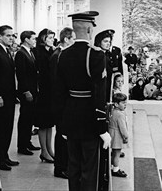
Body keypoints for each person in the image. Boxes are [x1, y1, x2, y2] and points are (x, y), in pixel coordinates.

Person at [54, 11, 111, 191]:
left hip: (70, 117)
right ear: (88, 29)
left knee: (74, 166)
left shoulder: (63, 54)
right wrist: (102, 127)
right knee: (89, 168)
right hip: (90, 120)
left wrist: (62, 124)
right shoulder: (95, 55)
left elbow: (59, 93)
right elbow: (99, 94)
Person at [0, 25, 19, 170]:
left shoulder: (6, 51)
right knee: (1, 129)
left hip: (9, 96)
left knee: (7, 127)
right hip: (1, 97)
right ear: (0, 36)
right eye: (8, 35)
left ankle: (5, 156)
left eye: (12, 35)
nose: (11, 38)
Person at [50, 27, 76, 179]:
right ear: (66, 39)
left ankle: (65, 164)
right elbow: (56, 82)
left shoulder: (63, 55)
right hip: (60, 103)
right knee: (61, 135)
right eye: (72, 38)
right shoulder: (57, 56)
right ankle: (60, 167)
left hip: (64, 101)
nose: (74, 41)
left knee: (65, 134)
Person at [15, 31, 40, 156]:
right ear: (26, 39)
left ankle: (27, 141)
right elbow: (21, 74)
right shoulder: (21, 53)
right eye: (33, 39)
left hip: (33, 89)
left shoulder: (30, 52)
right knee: (25, 118)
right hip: (27, 91)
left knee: (30, 117)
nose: (35, 41)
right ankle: (22, 145)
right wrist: (26, 91)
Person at [32, 28, 55, 163]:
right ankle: (44, 151)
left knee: (50, 123)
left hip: (51, 90)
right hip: (43, 91)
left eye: (53, 37)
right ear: (43, 39)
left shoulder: (52, 51)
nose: (52, 40)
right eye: (49, 38)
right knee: (42, 122)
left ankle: (49, 149)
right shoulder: (38, 52)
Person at [94, 29, 123, 102]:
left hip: (108, 85)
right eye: (105, 41)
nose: (108, 44)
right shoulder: (95, 55)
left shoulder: (108, 55)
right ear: (99, 42)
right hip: (98, 88)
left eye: (109, 42)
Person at [109, 93, 128, 177]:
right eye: (123, 103)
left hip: (112, 134)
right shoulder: (120, 114)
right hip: (117, 136)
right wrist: (126, 137)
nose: (125, 105)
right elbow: (123, 128)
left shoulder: (113, 111)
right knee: (117, 154)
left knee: (114, 153)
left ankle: (113, 166)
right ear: (116, 104)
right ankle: (116, 169)